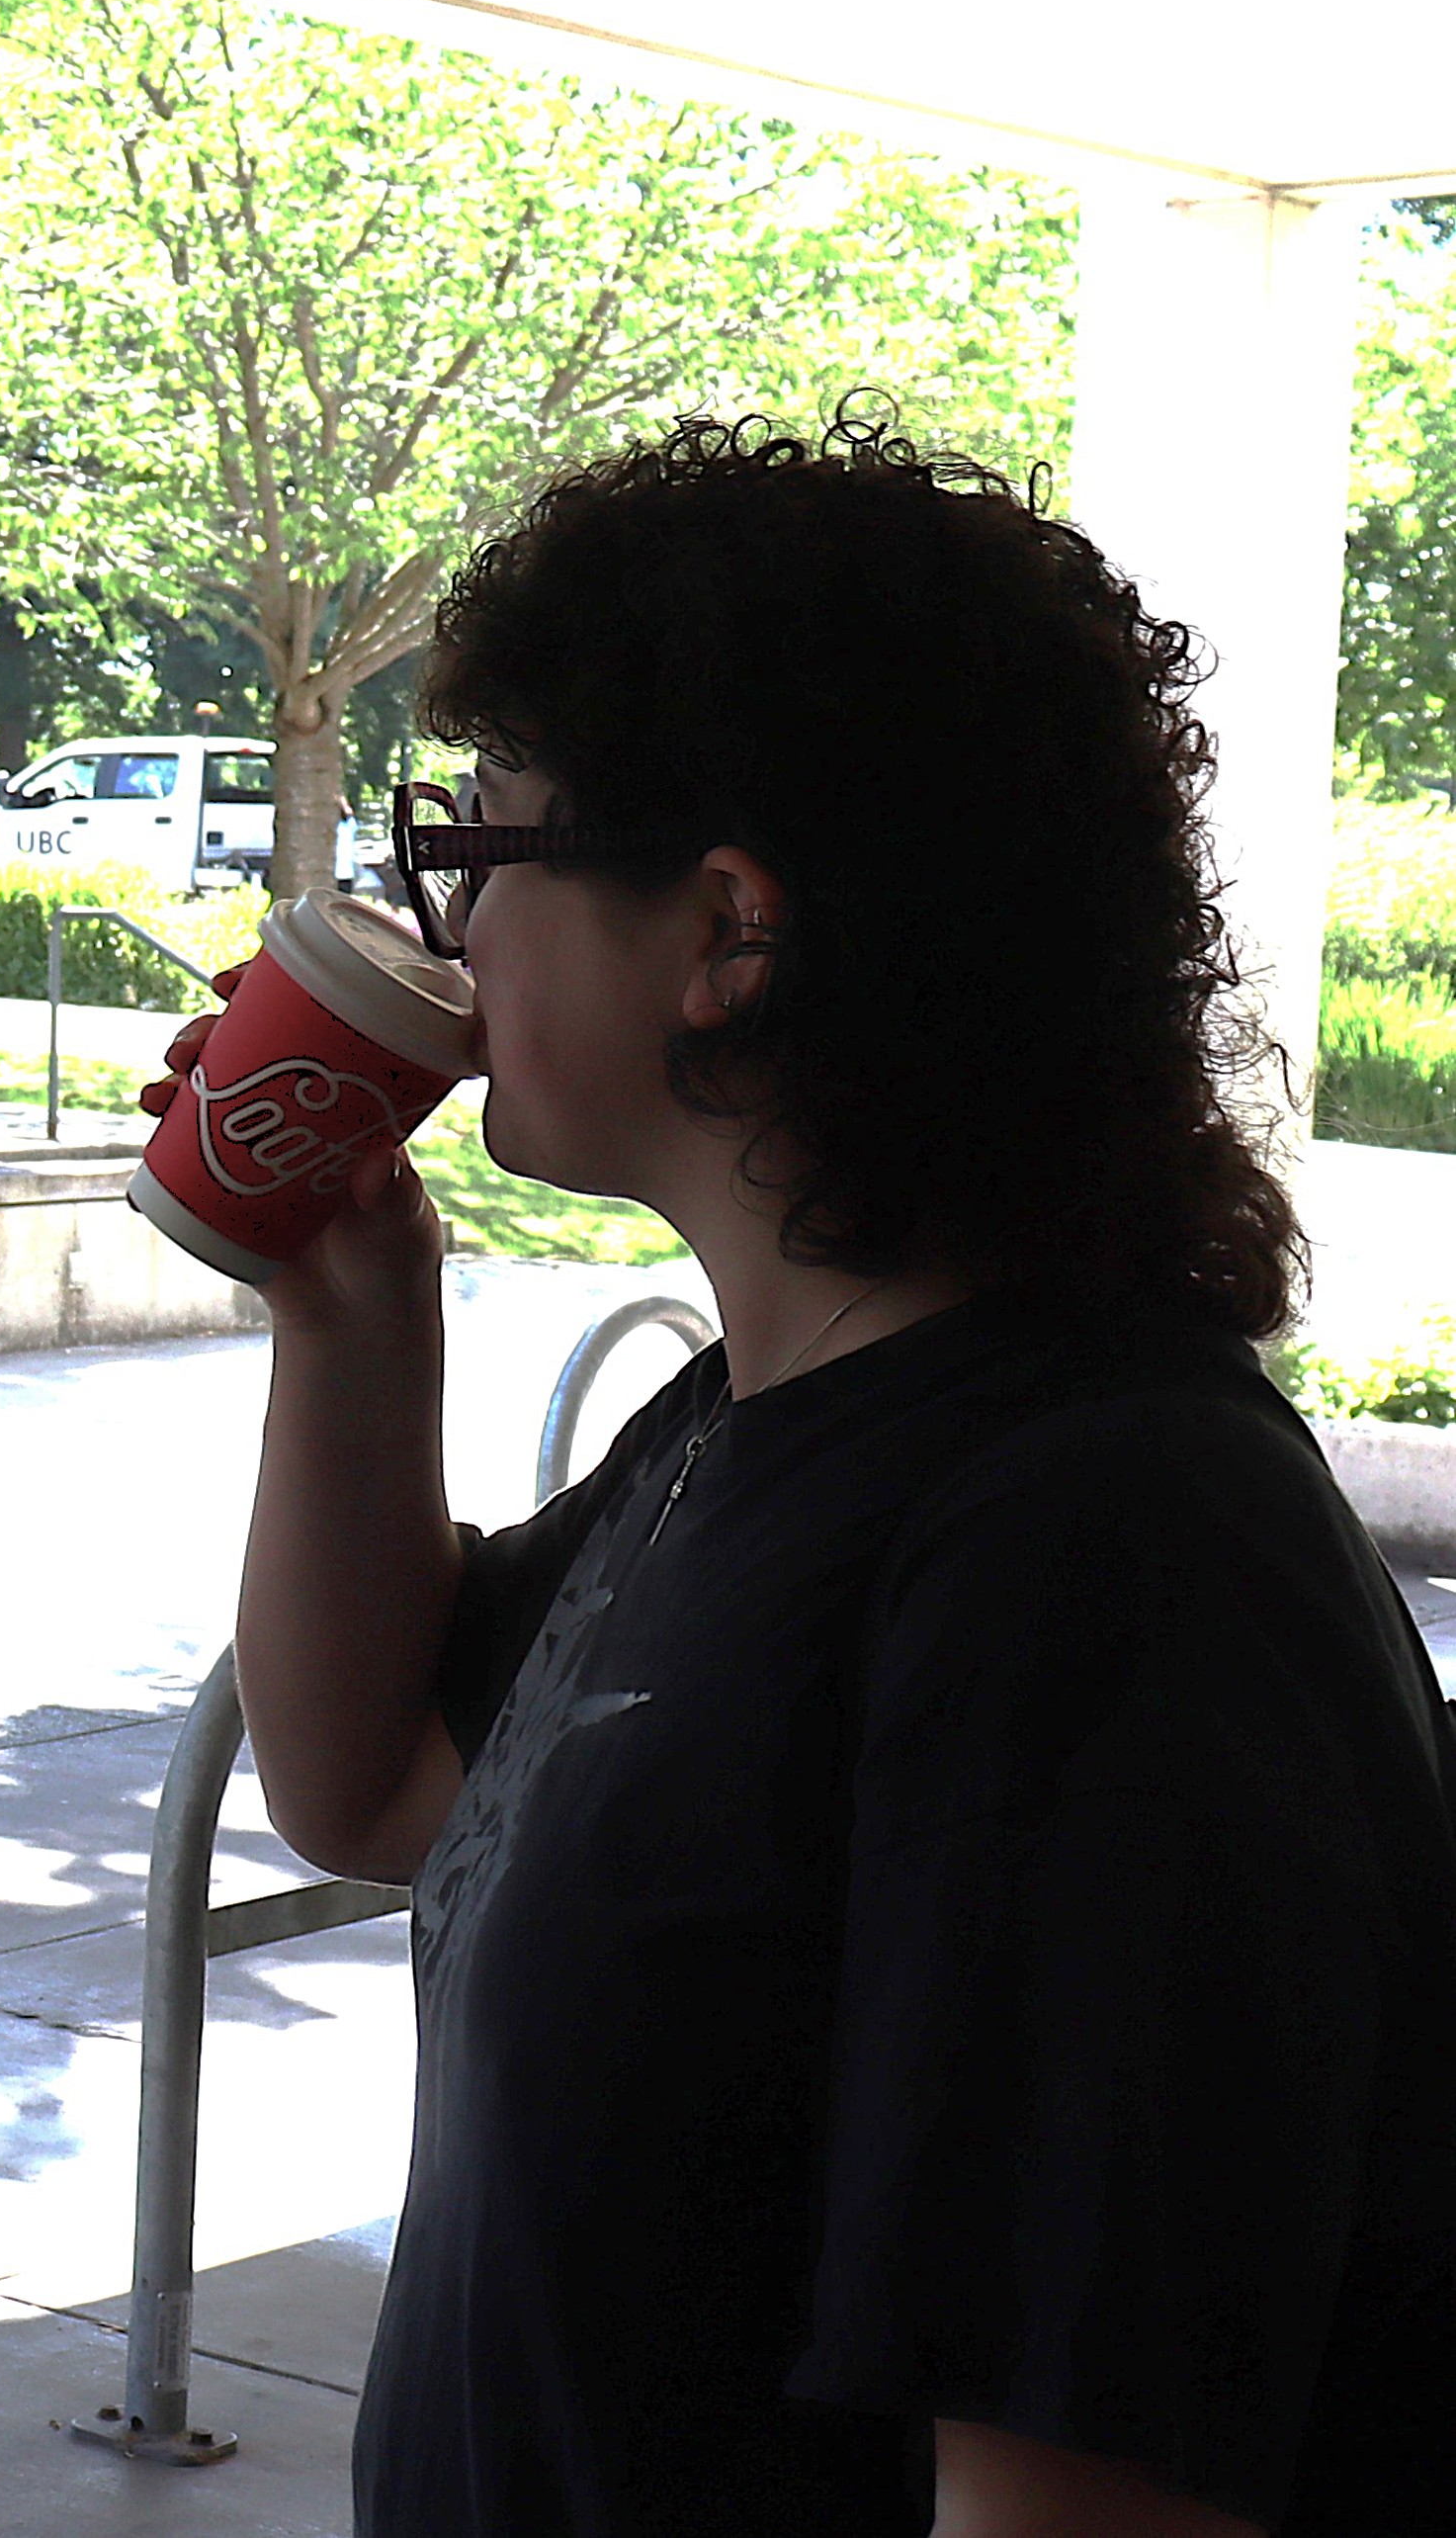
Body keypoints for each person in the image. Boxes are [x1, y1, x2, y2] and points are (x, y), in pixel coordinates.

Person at [188, 415, 1456, 2537]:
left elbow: (1078, 2495)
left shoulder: (1098, 1560)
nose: (443, 924)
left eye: (483, 852)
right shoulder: (758, 1424)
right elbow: (385, 1787)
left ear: (727, 933)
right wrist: (348, 1314)